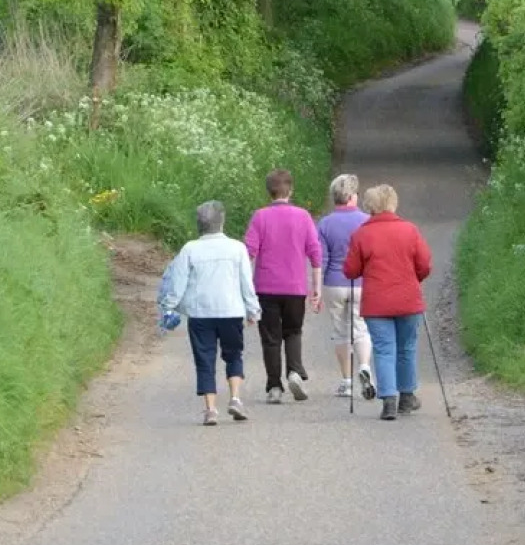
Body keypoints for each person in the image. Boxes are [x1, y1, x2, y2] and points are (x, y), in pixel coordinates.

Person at [159, 200, 261, 426]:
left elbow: (178, 282)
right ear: (222, 222)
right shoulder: (237, 248)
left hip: (200, 314)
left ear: (199, 224)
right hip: (231, 311)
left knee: (204, 360)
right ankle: (235, 398)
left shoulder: (190, 249)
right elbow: (246, 282)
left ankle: (211, 409)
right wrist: (253, 310)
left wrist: (169, 306)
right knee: (234, 355)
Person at [341, 184, 432, 421]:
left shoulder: (362, 234)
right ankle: (407, 397)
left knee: (383, 349)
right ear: (393, 203)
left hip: (376, 303)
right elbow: (424, 265)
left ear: (369, 206)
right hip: (408, 299)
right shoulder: (410, 230)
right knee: (407, 348)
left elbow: (350, 271)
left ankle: (389, 401)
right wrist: (414, 279)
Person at [244, 169, 323, 403]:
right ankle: (295, 372)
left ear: (268, 191)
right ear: (291, 190)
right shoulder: (303, 216)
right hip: (295, 287)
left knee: (270, 338)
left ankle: (274, 387)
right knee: (293, 331)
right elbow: (315, 253)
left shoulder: (260, 217)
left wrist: (244, 287)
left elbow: (248, 253)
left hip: (266, 287)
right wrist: (316, 287)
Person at [317, 173, 376, 400]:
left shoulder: (325, 223)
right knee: (361, 328)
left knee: (340, 331)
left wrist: (316, 290)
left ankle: (347, 381)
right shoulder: (367, 221)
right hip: (362, 282)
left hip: (334, 282)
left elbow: (321, 260)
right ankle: (365, 367)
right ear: (352, 196)